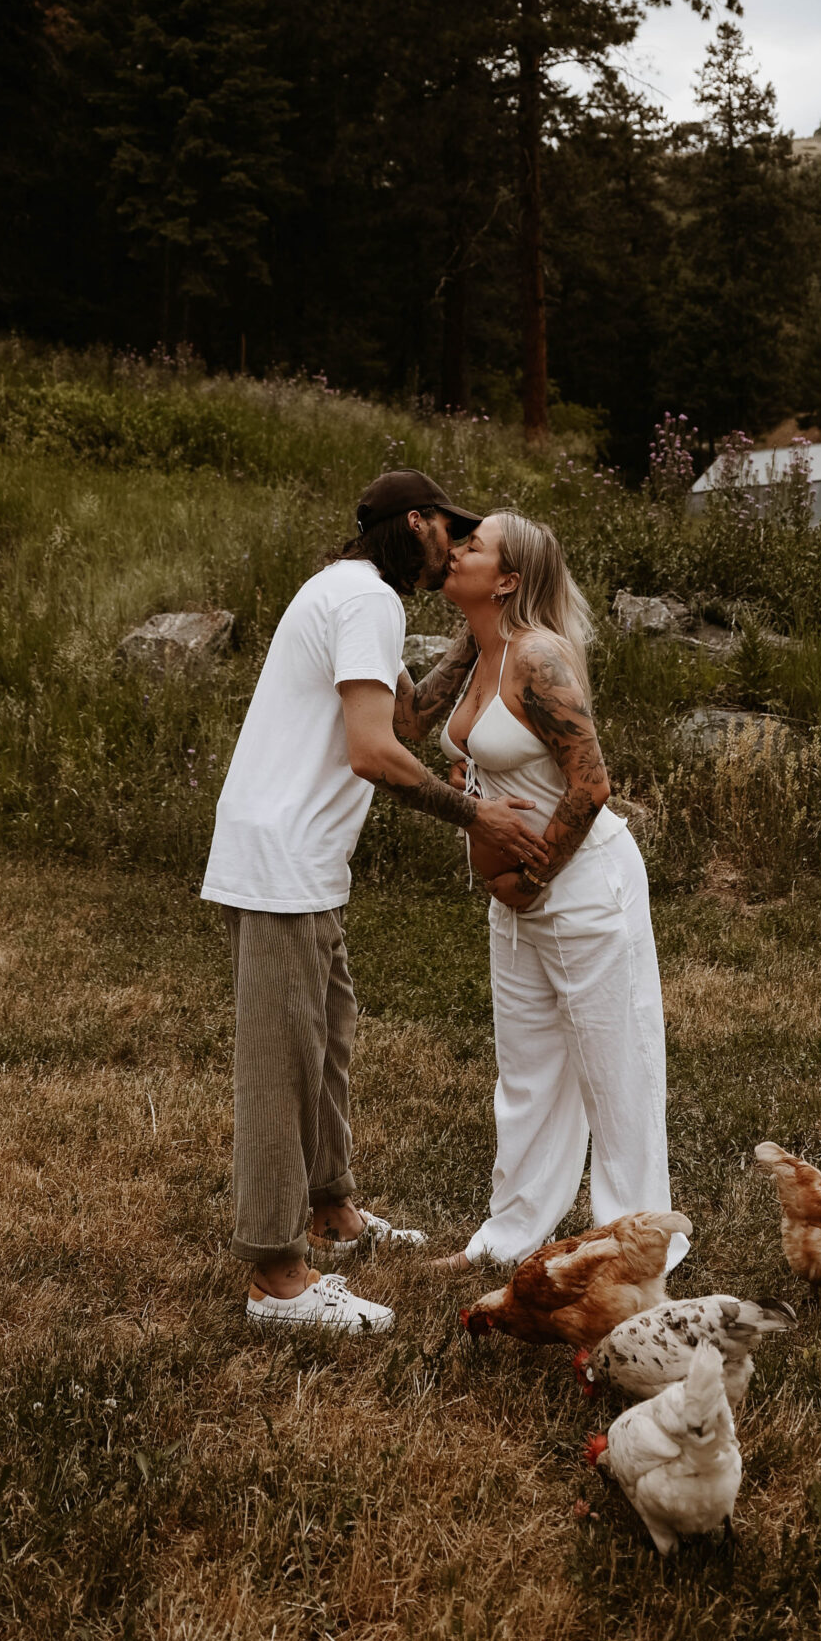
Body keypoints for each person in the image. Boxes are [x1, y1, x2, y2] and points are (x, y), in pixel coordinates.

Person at [201, 468, 550, 1333]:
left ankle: (334, 1215)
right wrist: (477, 817)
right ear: (418, 523)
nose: (454, 548)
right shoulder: (365, 600)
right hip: (282, 860)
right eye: (450, 531)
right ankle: (276, 1280)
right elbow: (372, 753)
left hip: (303, 862)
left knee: (326, 1041)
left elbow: (407, 717)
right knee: (281, 1066)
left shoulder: (349, 590)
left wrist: (477, 636)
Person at [397, 510, 680, 1269]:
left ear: (509, 578)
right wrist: (371, 596)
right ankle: (505, 1240)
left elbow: (591, 784)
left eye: (473, 546)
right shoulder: (474, 649)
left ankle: (632, 1247)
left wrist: (530, 876)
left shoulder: (537, 657)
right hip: (515, 896)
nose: (455, 552)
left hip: (582, 885)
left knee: (615, 1069)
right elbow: (408, 721)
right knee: (526, 1075)